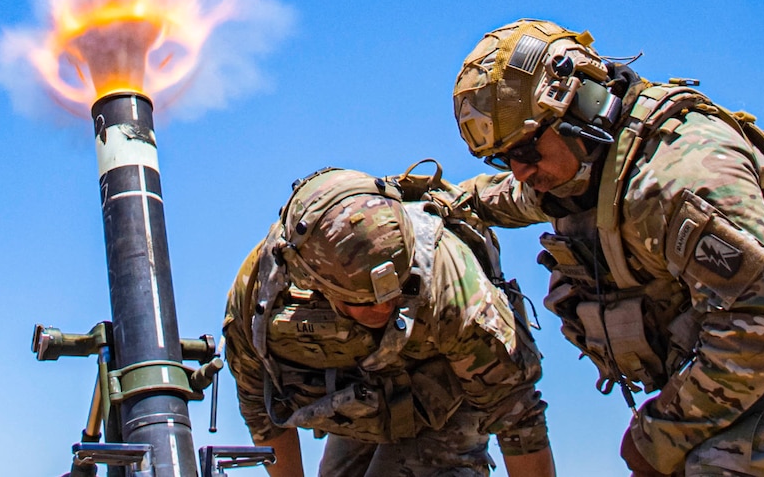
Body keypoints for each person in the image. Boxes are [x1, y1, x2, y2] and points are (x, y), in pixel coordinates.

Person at [451, 18, 764, 476]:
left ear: (581, 104)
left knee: (718, 466)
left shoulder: (679, 175)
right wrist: (425, 198)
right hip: (755, 348)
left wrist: (660, 433)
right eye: (504, 157)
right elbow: (504, 197)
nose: (519, 170)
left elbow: (763, 325)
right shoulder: (576, 168)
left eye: (525, 150)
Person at [222, 167, 556, 476]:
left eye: (397, 295)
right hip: (363, 404)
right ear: (315, 286)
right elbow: (262, 409)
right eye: (365, 302)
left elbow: (516, 416)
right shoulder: (260, 298)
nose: (385, 311)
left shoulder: (450, 285)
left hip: (446, 398)